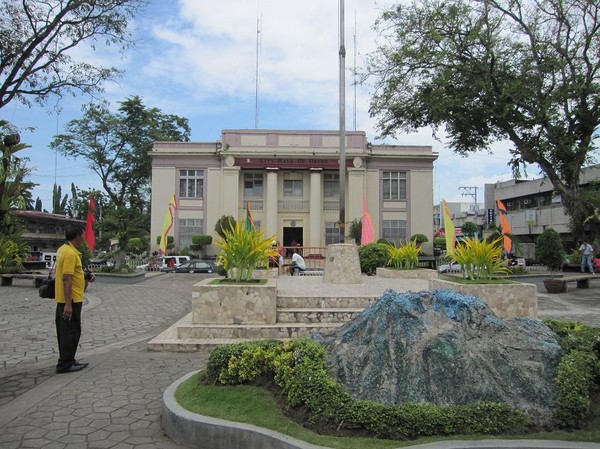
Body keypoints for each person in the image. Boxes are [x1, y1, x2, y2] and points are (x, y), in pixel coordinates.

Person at [55, 224, 95, 373]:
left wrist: (86, 277)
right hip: (70, 300)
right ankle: (65, 364)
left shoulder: (63, 250)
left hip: (68, 299)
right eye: (82, 235)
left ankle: (69, 359)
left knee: (68, 331)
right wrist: (68, 304)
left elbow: (71, 274)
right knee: (70, 332)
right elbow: (67, 279)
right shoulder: (70, 254)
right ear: (77, 236)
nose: (84, 238)